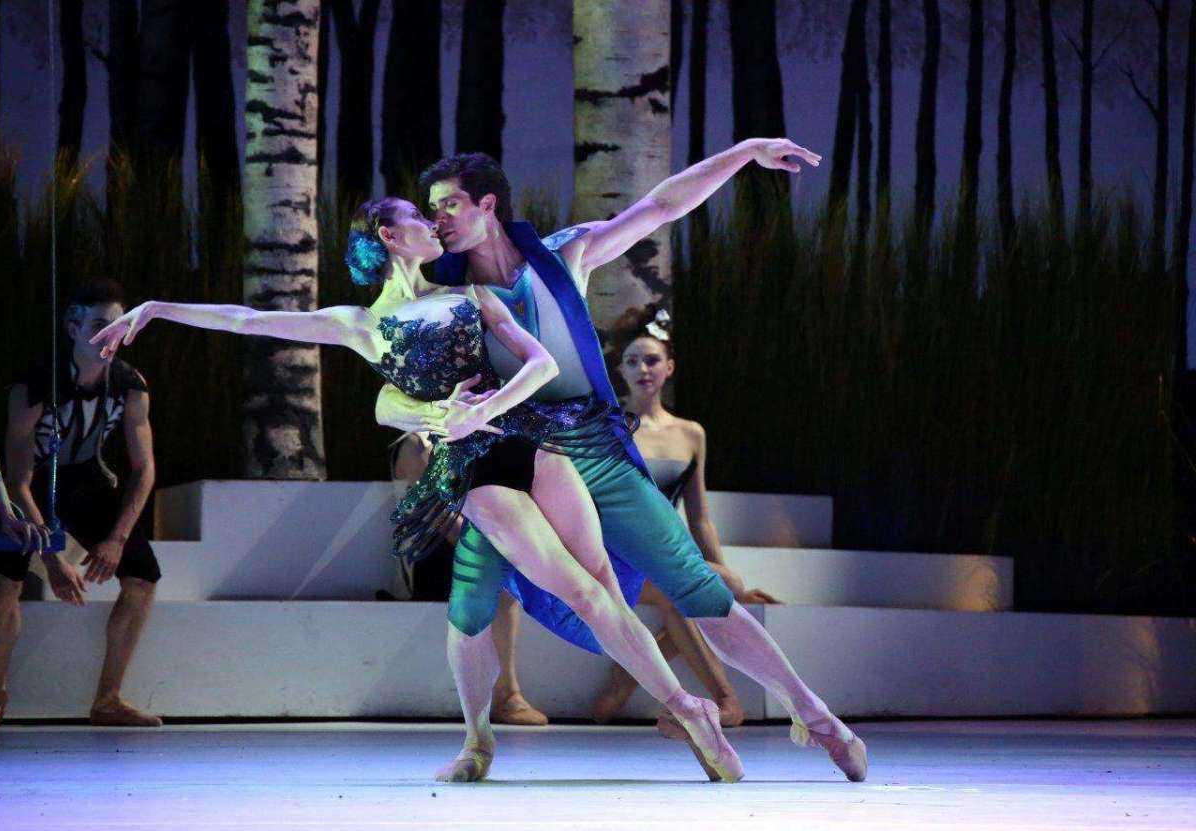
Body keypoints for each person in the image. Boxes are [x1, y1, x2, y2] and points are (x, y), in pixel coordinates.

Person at [91, 197, 743, 783]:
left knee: (580, 588)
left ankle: (685, 708)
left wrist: (490, 403)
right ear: (388, 235)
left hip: (528, 444)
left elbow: (541, 365)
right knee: (547, 586)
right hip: (473, 471)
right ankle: (484, 736)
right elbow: (247, 319)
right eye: (414, 217)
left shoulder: (476, 295)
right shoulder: (358, 323)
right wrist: (157, 309)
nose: (433, 224)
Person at [376, 141, 868, 782]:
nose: (437, 219)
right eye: (432, 210)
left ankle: (816, 714)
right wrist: (427, 419)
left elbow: (661, 207)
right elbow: (388, 374)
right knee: (470, 600)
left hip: (597, 456)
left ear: (487, 205)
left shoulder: (561, 254)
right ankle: (476, 744)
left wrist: (745, 154)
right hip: (516, 465)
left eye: (448, 206)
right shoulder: (446, 297)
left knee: (697, 588)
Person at [592, 307, 780, 727]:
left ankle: (629, 674)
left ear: (669, 368)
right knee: (677, 588)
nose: (643, 368)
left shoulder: (691, 433)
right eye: (633, 361)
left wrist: (727, 581)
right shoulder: (609, 428)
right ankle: (726, 699)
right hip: (616, 556)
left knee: (727, 582)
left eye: (652, 360)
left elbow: (700, 518)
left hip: (665, 552)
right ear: (620, 371)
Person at [0, 279, 163, 728]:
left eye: (119, 327)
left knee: (143, 576)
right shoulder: (34, 385)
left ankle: (107, 701)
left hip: (85, 479)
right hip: (28, 488)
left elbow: (144, 469)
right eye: (98, 326)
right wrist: (51, 558)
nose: (110, 337)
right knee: (6, 581)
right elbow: (17, 478)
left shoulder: (129, 385)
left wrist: (116, 538)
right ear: (73, 328)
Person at [392, 432, 548, 726]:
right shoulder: (417, 443)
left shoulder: (479, 433)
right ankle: (507, 696)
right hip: (430, 555)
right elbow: (433, 512)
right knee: (501, 579)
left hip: (472, 541)